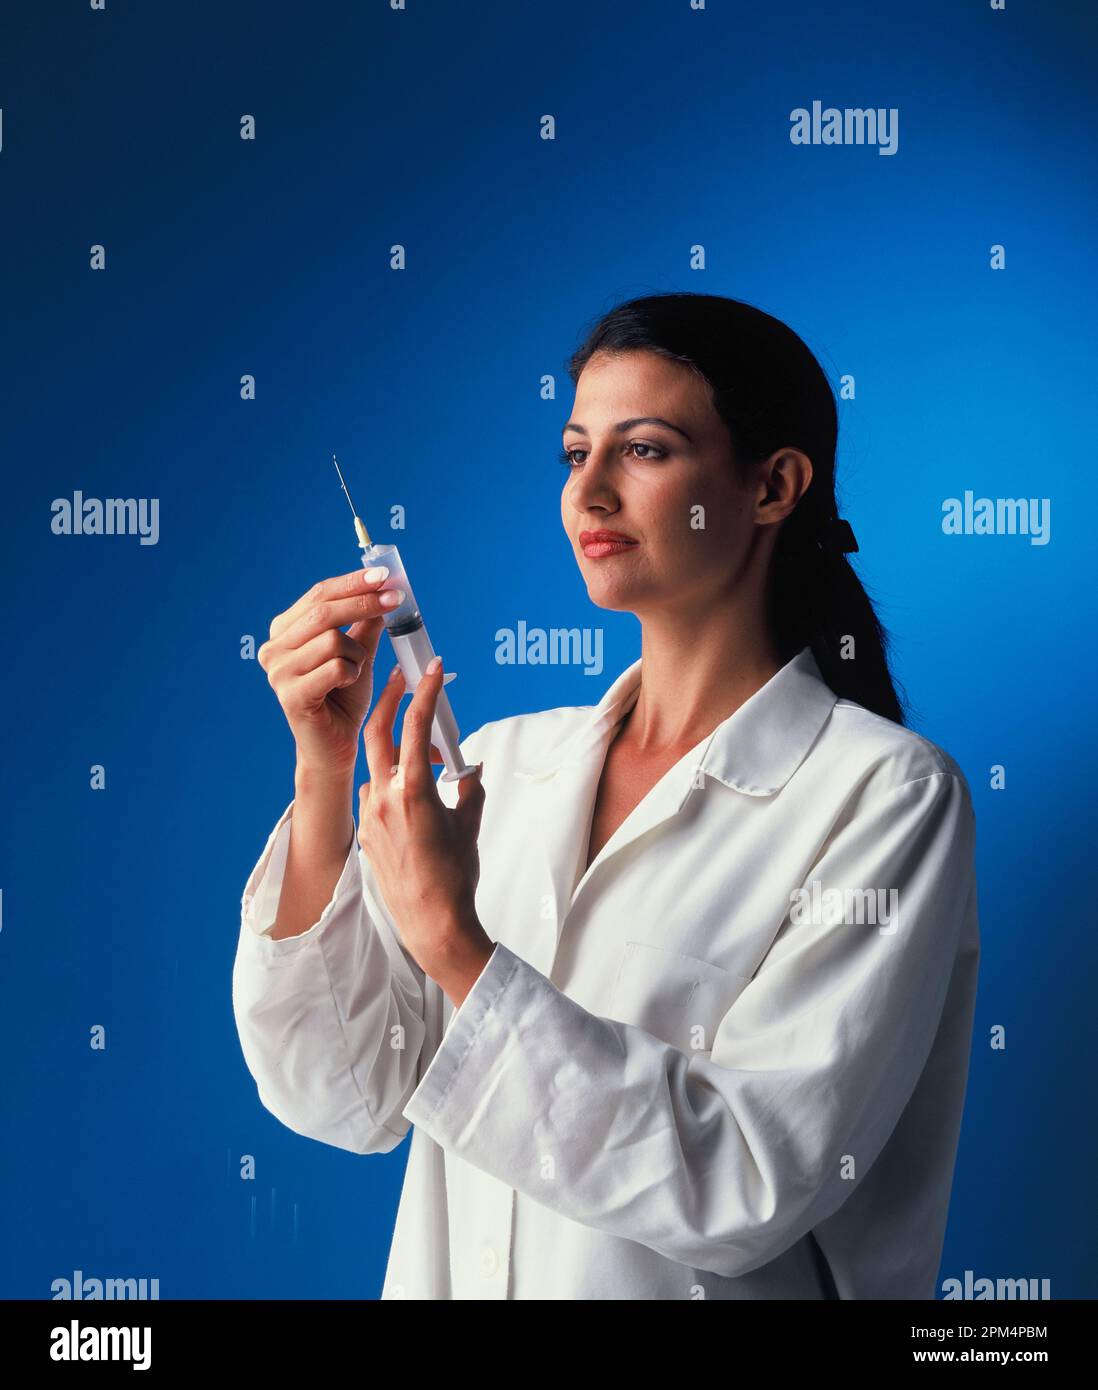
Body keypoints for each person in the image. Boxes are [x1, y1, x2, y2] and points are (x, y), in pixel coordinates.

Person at [232, 292, 980, 1300]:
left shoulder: (883, 797)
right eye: (574, 452)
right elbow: (345, 1091)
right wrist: (323, 774)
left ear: (773, 487)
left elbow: (746, 1182)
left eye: (645, 451)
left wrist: (459, 946)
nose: (587, 495)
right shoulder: (501, 768)